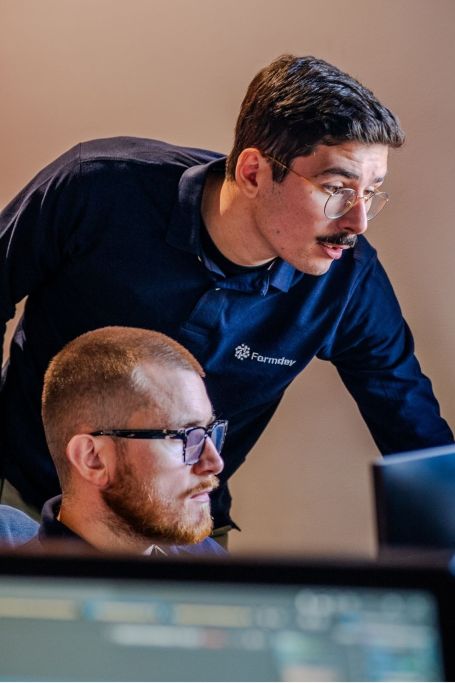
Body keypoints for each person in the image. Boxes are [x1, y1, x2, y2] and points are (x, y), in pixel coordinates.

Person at [0, 54, 452, 543]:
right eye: (336, 188)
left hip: (183, 525)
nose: (356, 222)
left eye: (370, 192)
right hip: (20, 493)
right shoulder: (96, 188)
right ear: (254, 172)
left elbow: (413, 431)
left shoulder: (348, 280)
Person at [23, 326, 226, 555]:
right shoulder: (22, 579)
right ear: (93, 459)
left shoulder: (208, 561)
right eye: (184, 436)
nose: (215, 462)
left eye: (208, 432)